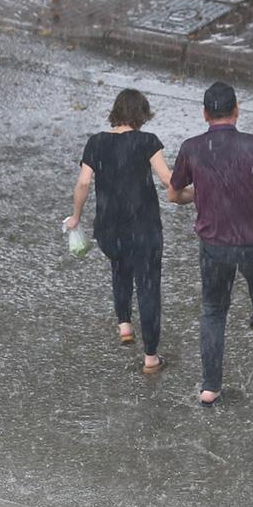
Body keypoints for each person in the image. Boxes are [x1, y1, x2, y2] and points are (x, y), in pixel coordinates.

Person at [168, 82, 253, 406]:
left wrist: (198, 193)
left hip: (215, 246)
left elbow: (174, 194)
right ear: (236, 110)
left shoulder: (192, 148)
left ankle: (210, 387)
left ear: (205, 114)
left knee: (214, 311)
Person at [65, 89, 192, 375]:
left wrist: (76, 216)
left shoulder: (96, 143)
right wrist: (198, 189)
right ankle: (150, 357)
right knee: (148, 287)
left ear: (116, 112)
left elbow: (84, 183)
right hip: (144, 228)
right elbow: (168, 180)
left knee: (119, 268)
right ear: (142, 114)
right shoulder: (147, 142)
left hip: (109, 229)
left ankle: (124, 323)